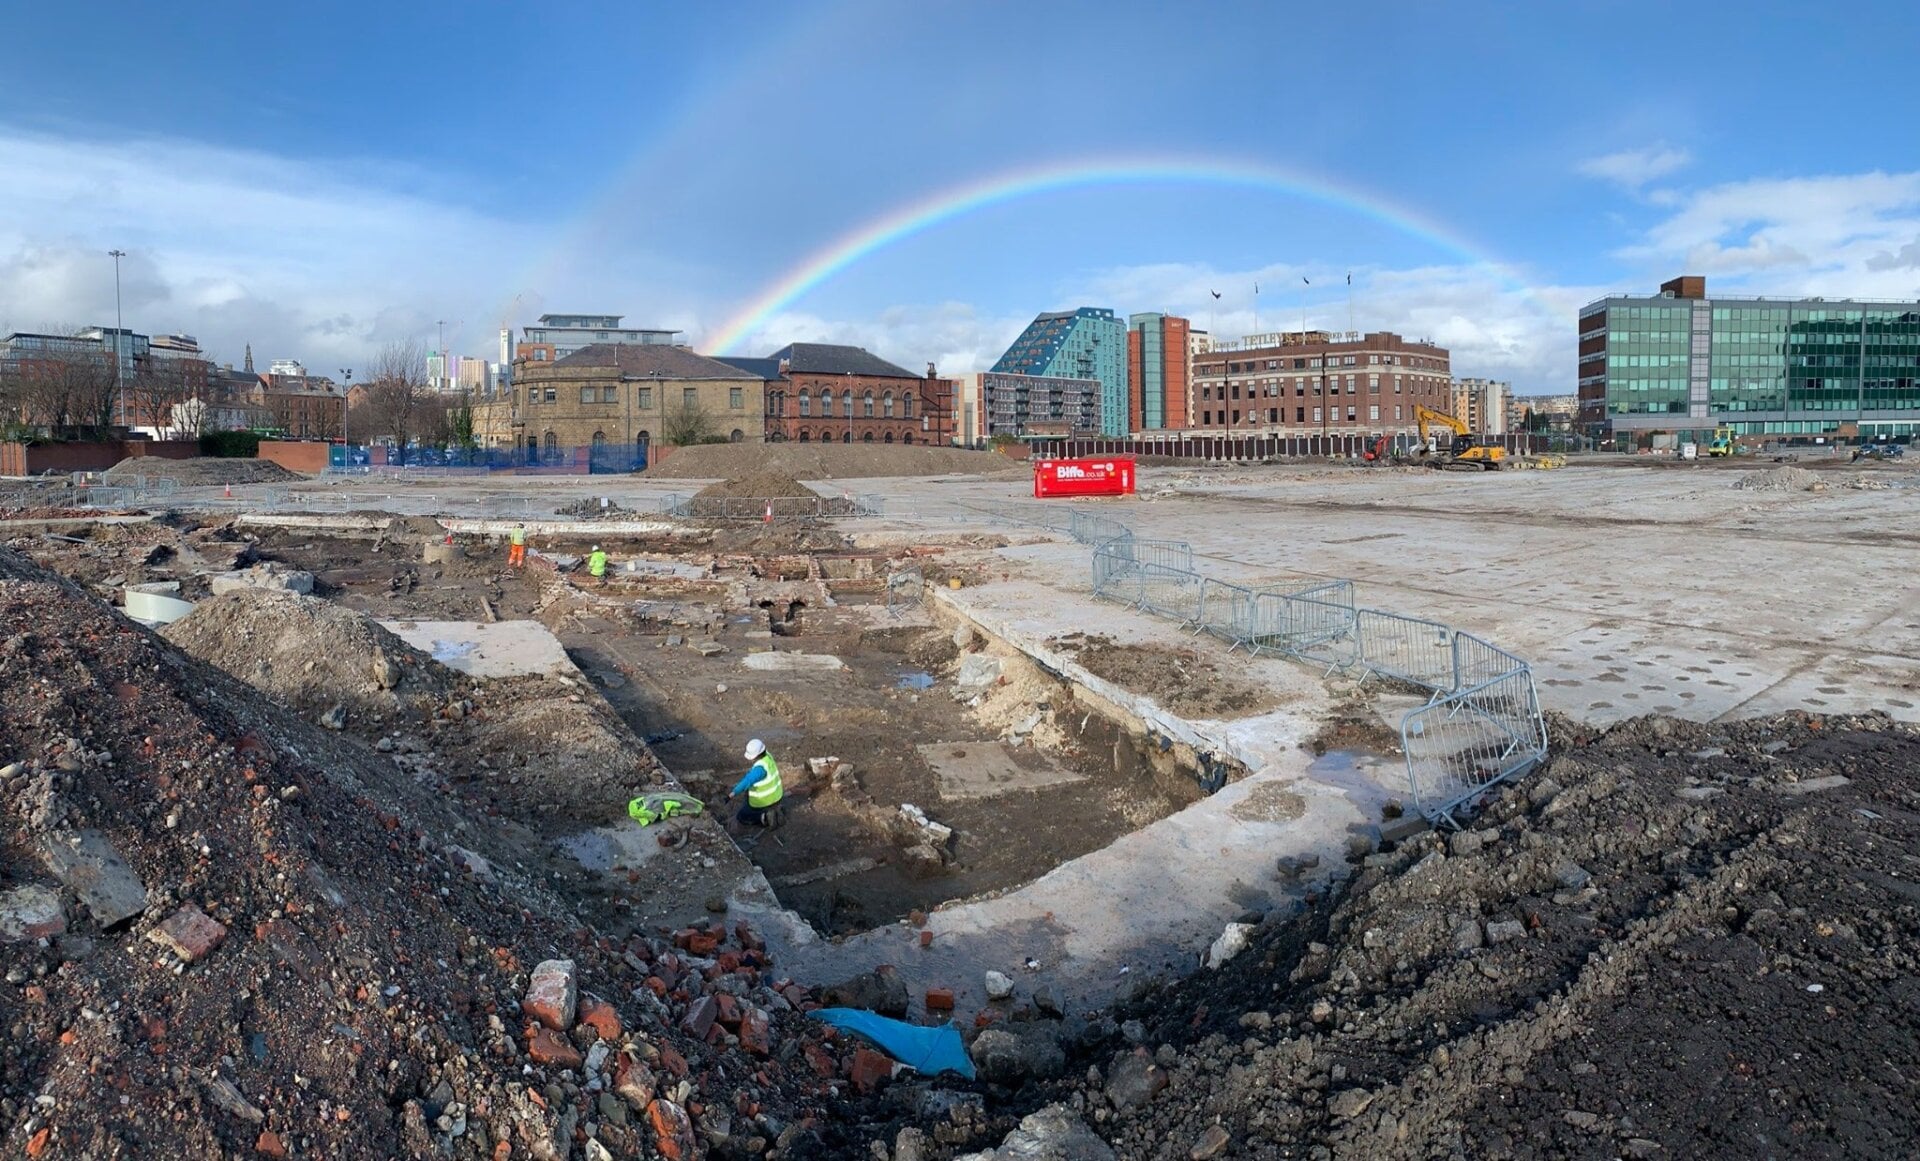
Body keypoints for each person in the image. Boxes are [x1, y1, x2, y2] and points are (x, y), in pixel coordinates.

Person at [727, 739, 783, 830]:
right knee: (747, 796)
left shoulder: (759, 770)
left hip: (764, 801)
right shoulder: (768, 756)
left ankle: (764, 817)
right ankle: (775, 810)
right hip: (777, 796)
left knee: (742, 816)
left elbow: (746, 782)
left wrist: (732, 794)